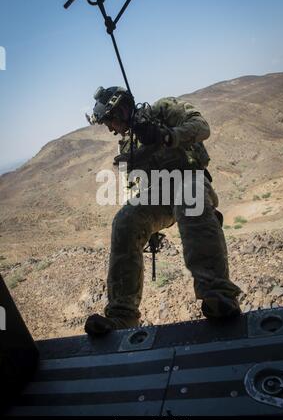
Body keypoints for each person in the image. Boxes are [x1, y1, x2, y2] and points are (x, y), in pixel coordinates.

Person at [84, 86, 242, 335]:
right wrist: (148, 227)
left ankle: (219, 295)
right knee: (125, 221)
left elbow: (202, 127)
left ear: (123, 109)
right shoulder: (127, 147)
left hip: (190, 178)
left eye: (111, 121)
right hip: (158, 193)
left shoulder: (163, 109)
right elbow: (135, 186)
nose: (111, 129)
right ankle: (122, 315)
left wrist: (166, 136)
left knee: (189, 202)